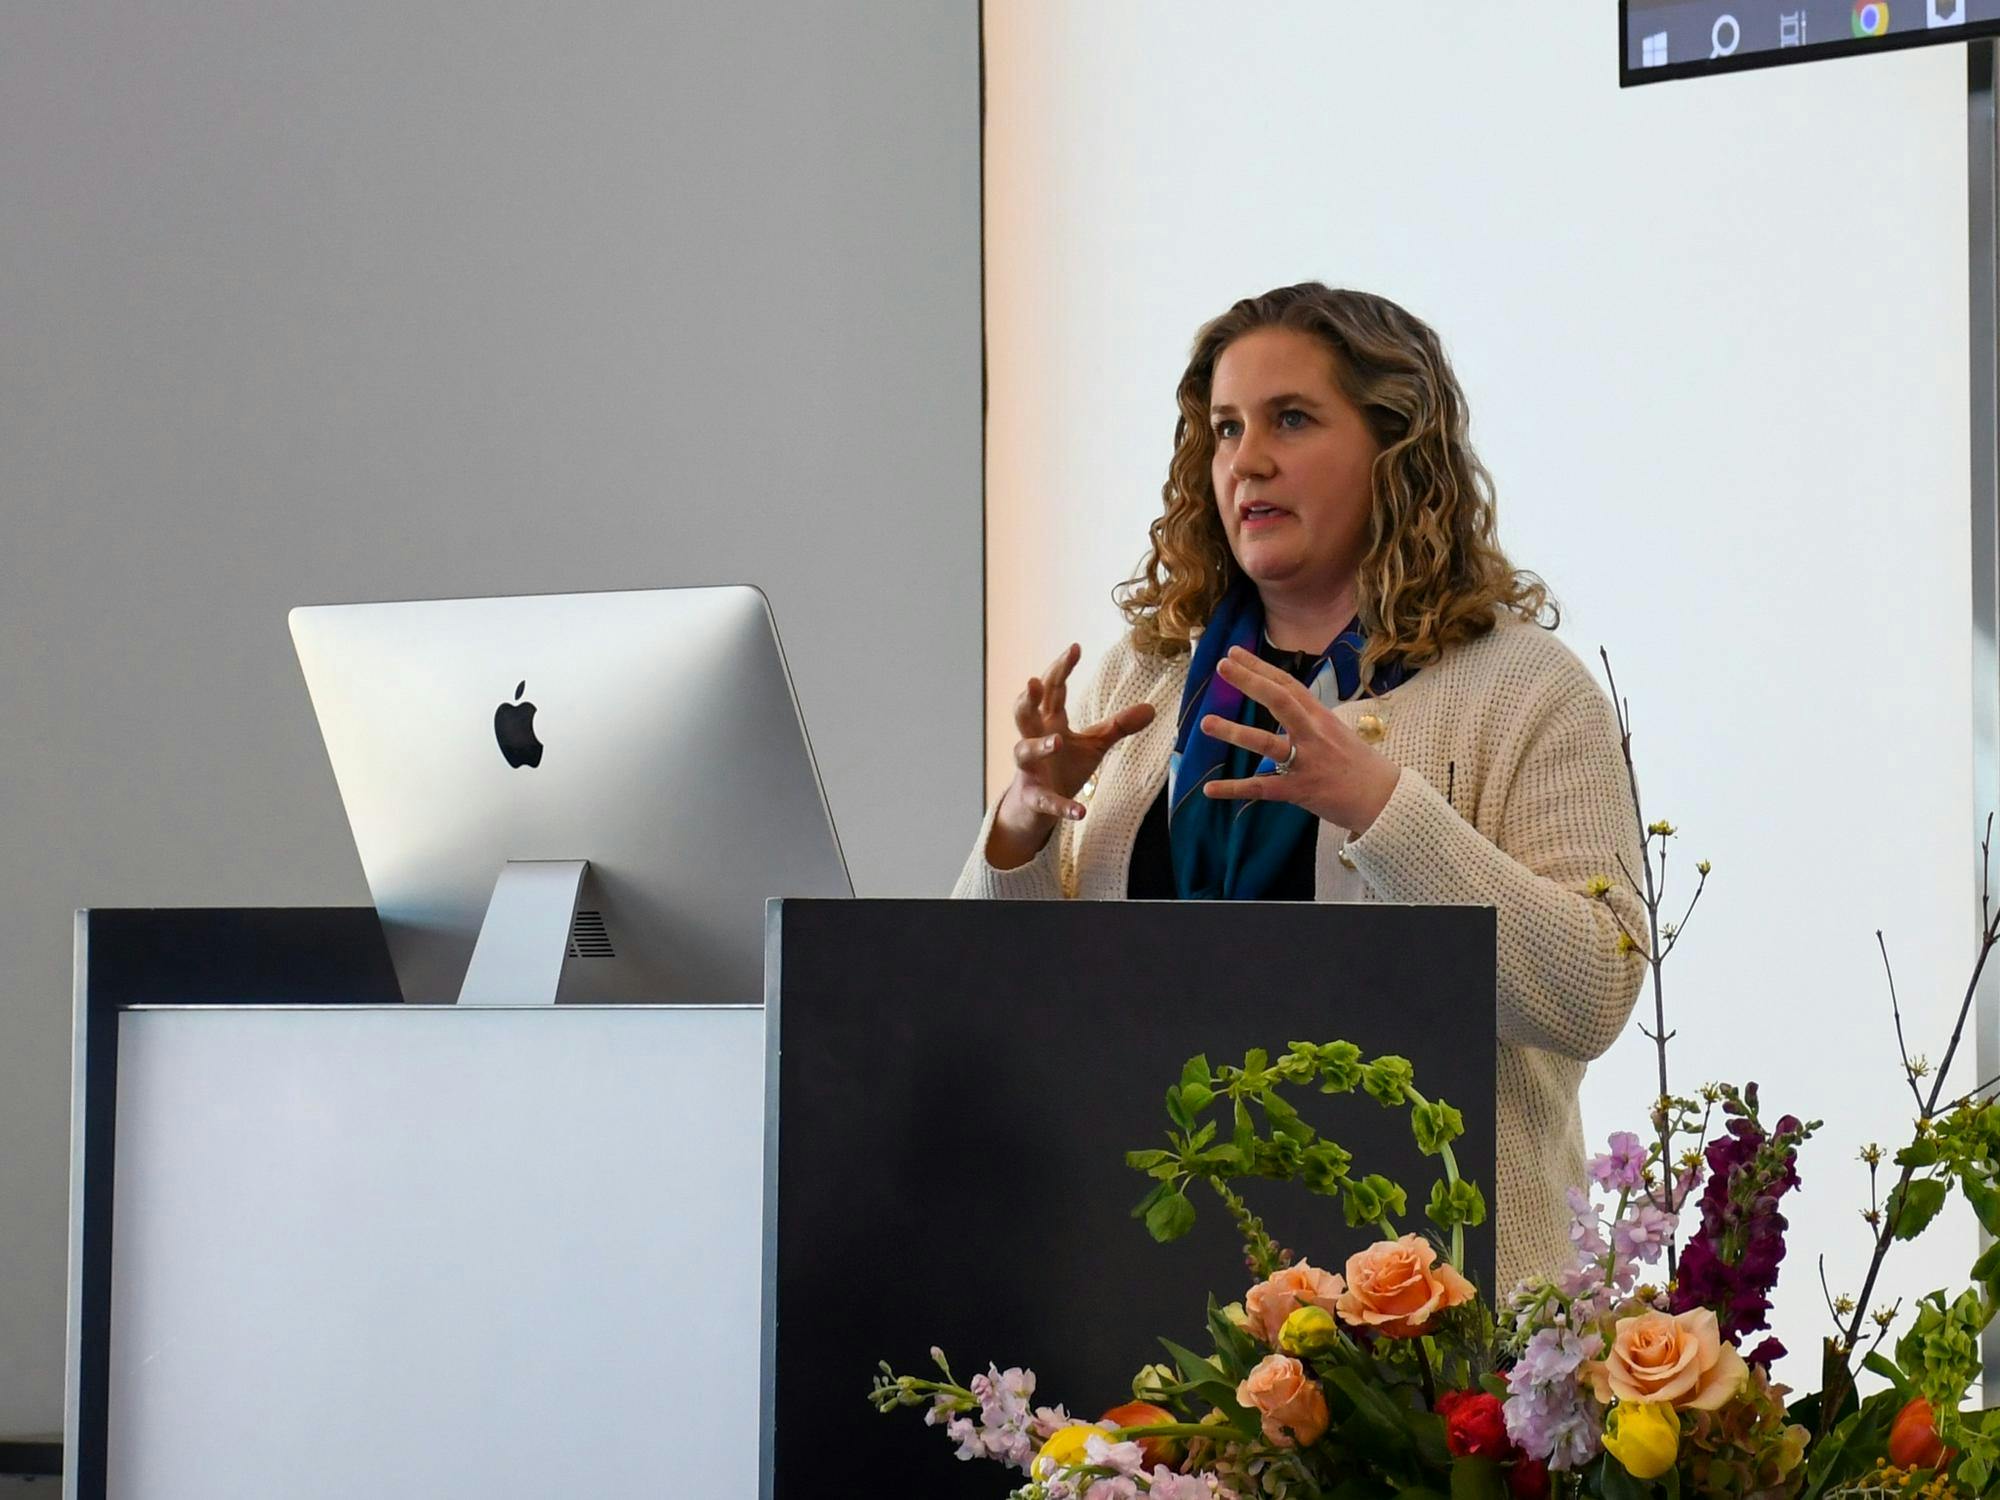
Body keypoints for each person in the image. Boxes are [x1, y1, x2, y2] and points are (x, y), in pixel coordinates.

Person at [953, 282, 1646, 1290]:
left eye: (1290, 419)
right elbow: (992, 991)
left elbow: (1591, 987)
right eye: (1225, 428)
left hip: (1435, 1319)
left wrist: (1380, 808)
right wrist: (1020, 823)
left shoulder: (1524, 687)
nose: (1248, 459)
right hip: (1146, 1286)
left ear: (1395, 448)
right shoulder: (1137, 679)